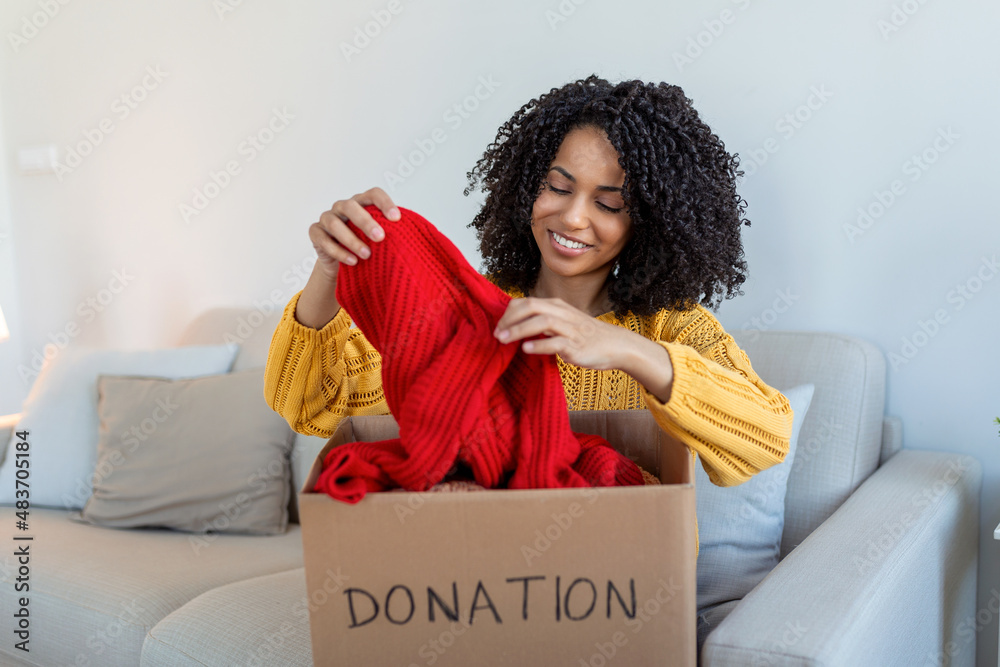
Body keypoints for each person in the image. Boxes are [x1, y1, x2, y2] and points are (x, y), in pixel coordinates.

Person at [264, 74, 792, 494]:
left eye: (609, 204)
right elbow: (308, 406)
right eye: (557, 187)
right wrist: (332, 270)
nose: (573, 217)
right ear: (526, 188)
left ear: (650, 223)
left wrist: (625, 349)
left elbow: (765, 438)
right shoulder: (467, 313)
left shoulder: (670, 328)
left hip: (621, 596)